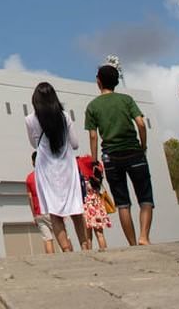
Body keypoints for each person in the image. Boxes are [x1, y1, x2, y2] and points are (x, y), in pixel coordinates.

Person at [84, 63, 154, 245]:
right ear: (116, 81)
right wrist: (143, 146)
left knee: (123, 203)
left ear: (98, 81)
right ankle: (144, 236)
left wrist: (94, 160)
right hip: (134, 151)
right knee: (145, 197)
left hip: (111, 156)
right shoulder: (126, 99)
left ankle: (131, 243)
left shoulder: (93, 106)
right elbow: (140, 123)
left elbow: (93, 135)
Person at [26, 81, 88, 252]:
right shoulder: (64, 116)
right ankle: (85, 245)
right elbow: (75, 144)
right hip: (67, 167)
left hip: (46, 169)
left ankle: (66, 249)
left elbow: (33, 144)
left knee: (55, 211)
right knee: (75, 208)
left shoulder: (31, 119)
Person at [77, 154, 112, 250]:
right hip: (97, 204)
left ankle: (88, 254)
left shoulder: (84, 181)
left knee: (87, 236)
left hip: (85, 205)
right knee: (100, 233)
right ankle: (105, 251)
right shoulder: (95, 181)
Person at [26, 152, 56, 255]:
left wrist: (34, 215)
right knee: (63, 234)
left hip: (39, 213)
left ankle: (51, 260)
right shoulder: (48, 175)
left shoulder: (29, 178)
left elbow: (30, 198)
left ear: (33, 162)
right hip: (51, 211)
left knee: (47, 239)